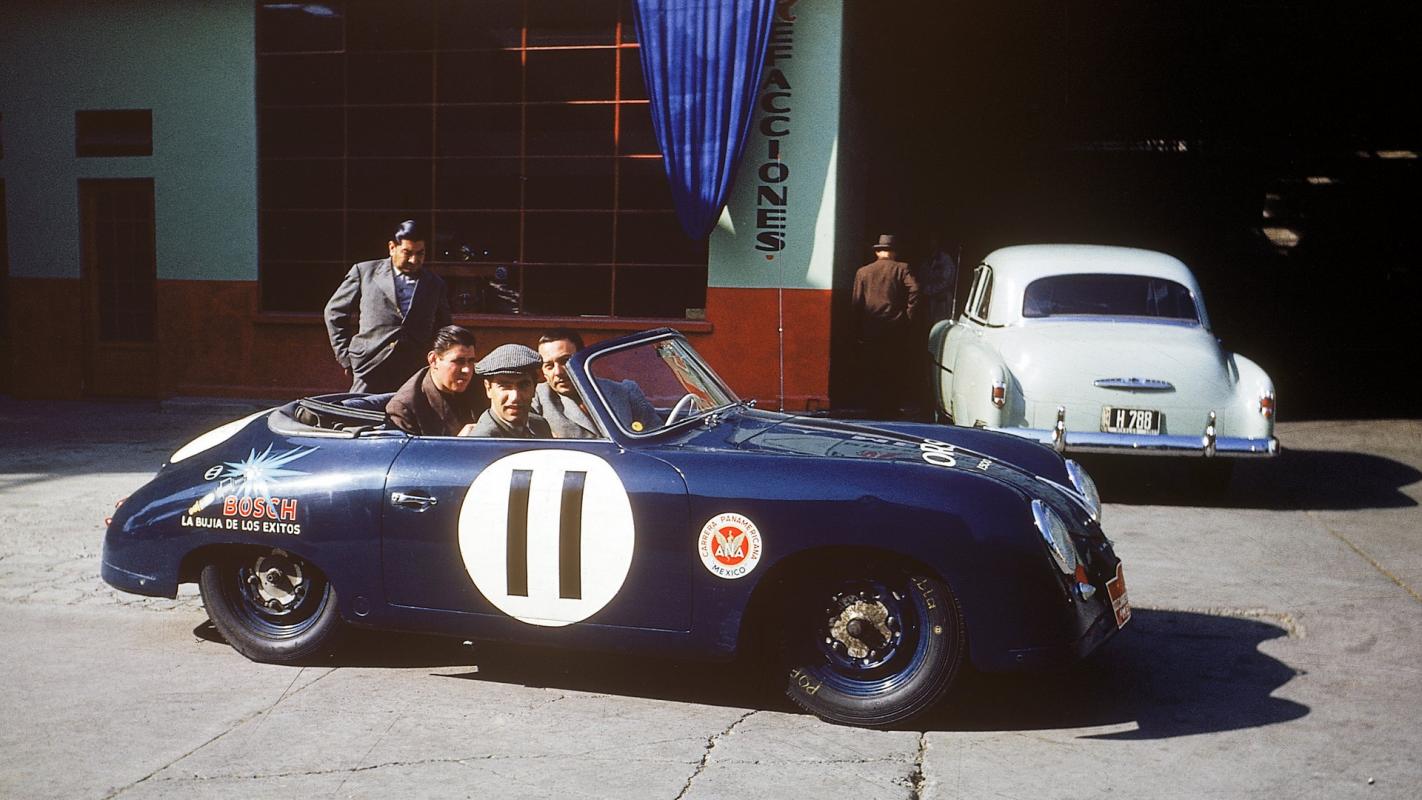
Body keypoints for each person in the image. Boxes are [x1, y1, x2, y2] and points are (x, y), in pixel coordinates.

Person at [325, 219, 452, 393]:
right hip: (369, 365)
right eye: (407, 253)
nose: (414, 260)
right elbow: (334, 312)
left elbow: (444, 326)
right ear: (392, 248)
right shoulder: (365, 272)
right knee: (358, 408)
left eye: (420, 253)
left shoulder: (435, 284)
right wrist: (345, 357)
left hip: (414, 369)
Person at [533, 328, 662, 438]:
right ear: (543, 372)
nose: (558, 372)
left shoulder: (625, 392)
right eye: (549, 366)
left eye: (565, 361)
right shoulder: (537, 396)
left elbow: (658, 437)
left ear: (582, 360)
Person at [852, 233, 921, 417]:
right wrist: (908, 314)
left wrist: (858, 329)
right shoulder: (902, 268)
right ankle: (891, 407)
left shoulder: (863, 272)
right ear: (894, 252)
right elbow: (915, 289)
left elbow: (857, 303)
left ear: (878, 252)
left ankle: (872, 408)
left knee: (872, 368)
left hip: (871, 328)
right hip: (895, 327)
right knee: (893, 368)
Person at [385, 325, 484, 436]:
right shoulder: (405, 408)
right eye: (458, 361)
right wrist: (459, 442)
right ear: (434, 360)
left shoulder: (481, 384)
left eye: (471, 361)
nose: (467, 370)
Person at [462, 344, 553, 438]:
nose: (515, 397)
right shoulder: (483, 439)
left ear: (534, 388)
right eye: (505, 386)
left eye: (523, 386)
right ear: (488, 388)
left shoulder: (539, 425)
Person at [915, 231, 959, 325]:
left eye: (933, 240)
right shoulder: (926, 260)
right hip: (928, 302)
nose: (930, 243)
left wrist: (928, 290)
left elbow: (947, 281)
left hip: (941, 302)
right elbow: (921, 277)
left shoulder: (945, 259)